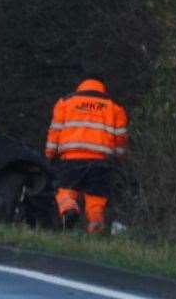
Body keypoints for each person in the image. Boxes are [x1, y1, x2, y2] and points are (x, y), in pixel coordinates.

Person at [44, 76, 128, 234]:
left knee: (65, 191)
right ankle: (95, 230)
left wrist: (49, 155)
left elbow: (54, 132)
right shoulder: (115, 107)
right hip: (101, 164)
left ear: (81, 85)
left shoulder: (66, 102)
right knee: (96, 202)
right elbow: (121, 140)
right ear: (103, 86)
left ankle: (69, 211)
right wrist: (119, 159)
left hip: (71, 160)